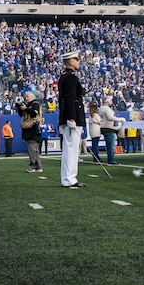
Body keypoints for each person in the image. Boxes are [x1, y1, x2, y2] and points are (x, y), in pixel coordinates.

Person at [57, 50, 86, 188]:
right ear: (70, 62)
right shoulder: (70, 78)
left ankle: (68, 178)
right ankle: (69, 179)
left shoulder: (66, 76)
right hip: (72, 116)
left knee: (70, 149)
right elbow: (69, 99)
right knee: (71, 149)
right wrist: (72, 118)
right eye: (76, 59)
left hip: (70, 115)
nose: (78, 62)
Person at [17, 91, 43, 172]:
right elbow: (21, 114)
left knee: (32, 147)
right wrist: (20, 108)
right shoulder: (26, 104)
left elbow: (34, 113)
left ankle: (33, 165)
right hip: (28, 128)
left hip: (33, 127)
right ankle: (38, 166)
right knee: (34, 148)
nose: (26, 98)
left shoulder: (35, 104)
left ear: (32, 96)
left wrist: (26, 109)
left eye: (27, 96)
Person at [98, 94, 121, 165]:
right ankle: (111, 160)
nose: (111, 102)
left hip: (104, 127)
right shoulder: (106, 108)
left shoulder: (101, 108)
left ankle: (110, 159)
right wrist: (120, 119)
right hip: (109, 127)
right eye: (110, 100)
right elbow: (110, 117)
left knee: (109, 145)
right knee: (111, 145)